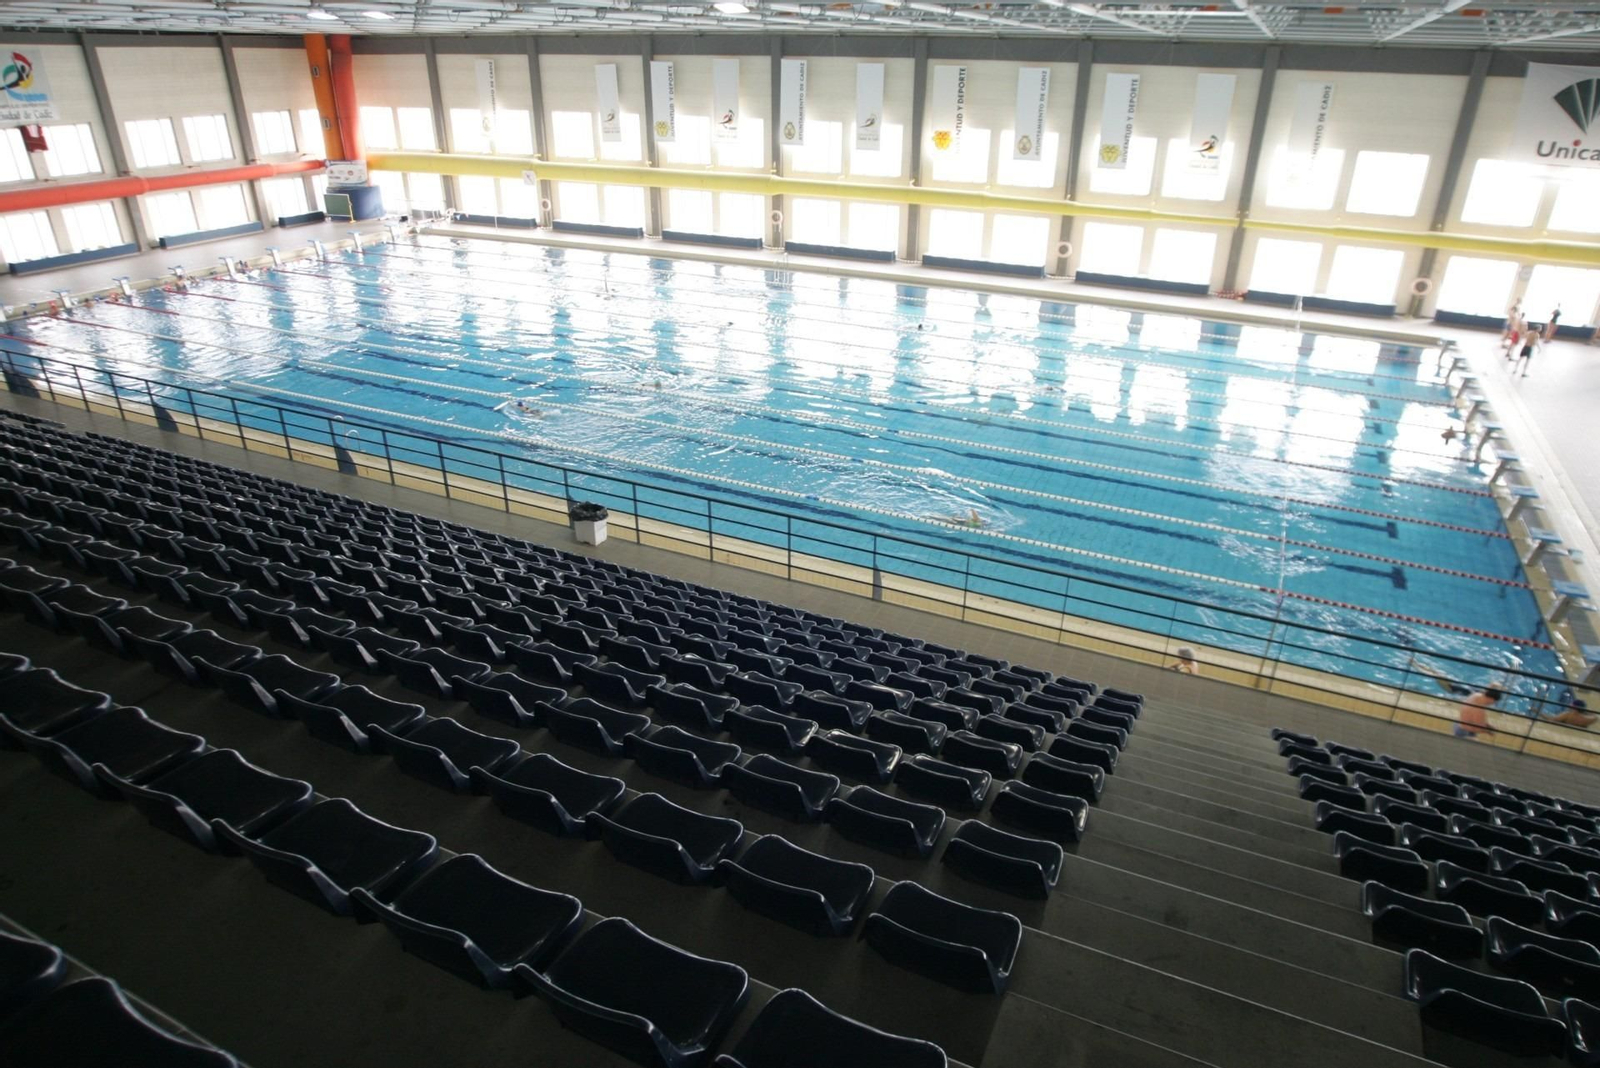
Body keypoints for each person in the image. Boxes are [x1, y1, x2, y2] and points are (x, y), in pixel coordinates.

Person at [1411, 655, 1503, 738]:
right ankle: (1415, 665)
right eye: (1493, 701)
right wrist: (1489, 731)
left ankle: (1416, 663)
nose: (1492, 703)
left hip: (1454, 688)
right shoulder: (1478, 703)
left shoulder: (1476, 695)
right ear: (1490, 698)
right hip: (1450, 688)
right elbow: (1475, 727)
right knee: (1434, 674)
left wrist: (1497, 687)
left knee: (1435, 673)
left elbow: (1490, 687)